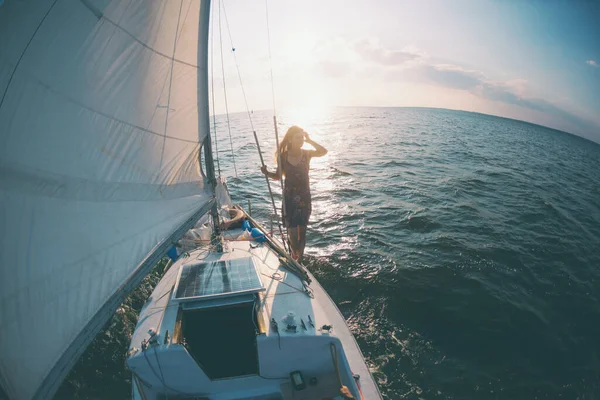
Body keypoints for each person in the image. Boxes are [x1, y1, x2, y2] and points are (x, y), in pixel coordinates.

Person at [261, 125, 327, 261]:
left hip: (304, 197)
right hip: (289, 198)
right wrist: (266, 172)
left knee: (302, 232)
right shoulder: (283, 157)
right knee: (291, 232)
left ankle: (299, 260)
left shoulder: (307, 154)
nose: (301, 140)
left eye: (302, 138)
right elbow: (278, 176)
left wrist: (310, 140)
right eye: (298, 138)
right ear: (290, 139)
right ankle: (294, 257)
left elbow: (323, 151)